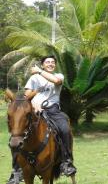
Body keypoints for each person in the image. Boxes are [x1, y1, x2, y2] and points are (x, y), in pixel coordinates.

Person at [7, 55, 76, 184]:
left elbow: (56, 81)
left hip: (53, 110)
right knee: (17, 135)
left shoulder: (59, 76)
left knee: (65, 129)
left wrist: (39, 71)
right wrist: (31, 104)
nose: (50, 64)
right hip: (34, 111)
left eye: (52, 62)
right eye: (47, 62)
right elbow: (27, 95)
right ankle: (16, 171)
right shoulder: (34, 78)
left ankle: (67, 162)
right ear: (43, 64)